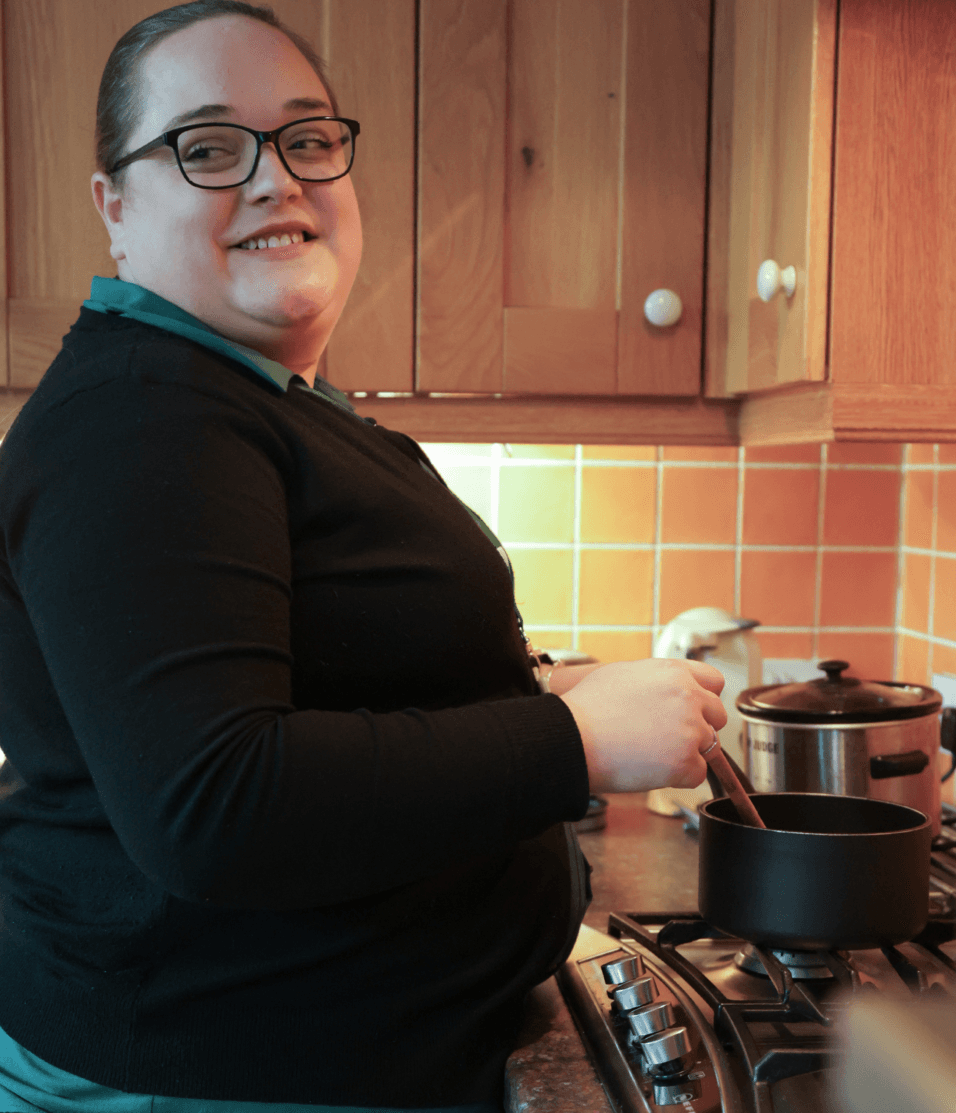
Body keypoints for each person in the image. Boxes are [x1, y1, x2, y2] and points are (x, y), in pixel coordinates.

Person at [0, 3, 726, 1111]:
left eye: (306, 138)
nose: (273, 178)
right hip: (223, 1077)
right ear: (115, 207)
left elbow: (319, 696)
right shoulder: (144, 419)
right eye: (206, 147)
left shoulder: (247, 402)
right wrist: (568, 739)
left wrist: (532, 696)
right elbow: (217, 803)